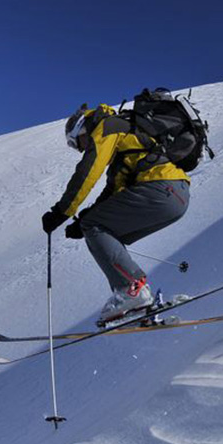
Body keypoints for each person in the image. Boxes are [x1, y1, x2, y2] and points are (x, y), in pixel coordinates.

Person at [42, 103, 191, 323]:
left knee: (95, 226)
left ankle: (132, 290)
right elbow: (114, 190)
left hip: (159, 189)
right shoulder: (124, 138)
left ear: (81, 128)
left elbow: (87, 172)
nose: (81, 149)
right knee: (105, 233)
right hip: (176, 196)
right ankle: (137, 303)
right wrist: (84, 218)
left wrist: (61, 212)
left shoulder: (105, 126)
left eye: (76, 143)